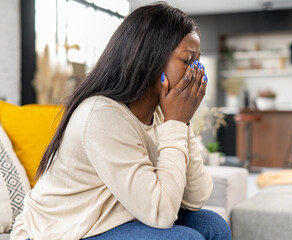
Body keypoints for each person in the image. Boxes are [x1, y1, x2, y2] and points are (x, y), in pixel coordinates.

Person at [10, 3, 231, 240]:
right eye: (188, 61)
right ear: (151, 59)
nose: (196, 71)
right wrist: (176, 122)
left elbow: (196, 197)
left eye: (198, 61)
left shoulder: (162, 114)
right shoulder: (102, 115)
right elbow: (162, 213)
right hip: (63, 230)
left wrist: (181, 123)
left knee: (213, 225)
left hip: (112, 217)